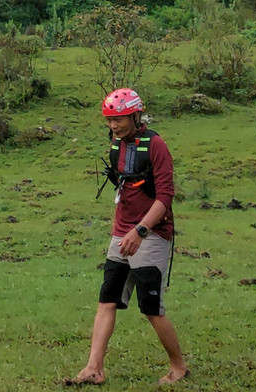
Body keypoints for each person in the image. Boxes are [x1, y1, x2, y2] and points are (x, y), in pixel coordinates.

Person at [67, 88, 189, 386]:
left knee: (150, 307)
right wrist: (121, 229)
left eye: (119, 119)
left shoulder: (156, 145)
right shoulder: (116, 143)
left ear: (135, 115)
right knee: (107, 299)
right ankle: (94, 367)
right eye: (110, 120)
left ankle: (179, 366)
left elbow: (166, 197)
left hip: (153, 233)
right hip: (122, 233)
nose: (114, 125)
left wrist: (140, 231)